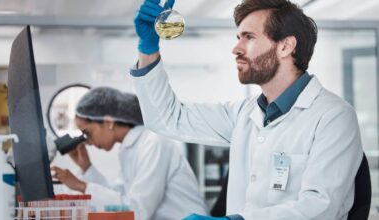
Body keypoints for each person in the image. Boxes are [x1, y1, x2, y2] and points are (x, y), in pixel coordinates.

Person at [131, 0, 364, 219]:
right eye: (238, 37)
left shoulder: (334, 117)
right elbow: (168, 118)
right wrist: (148, 48)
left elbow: (319, 207)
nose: (236, 48)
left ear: (285, 46)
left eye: (248, 37)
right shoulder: (245, 113)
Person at [51, 87, 208, 220]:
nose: (87, 141)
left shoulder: (154, 142)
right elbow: (121, 195)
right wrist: (86, 168)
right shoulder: (130, 147)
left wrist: (80, 186)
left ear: (108, 122)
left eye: (88, 132)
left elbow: (138, 211)